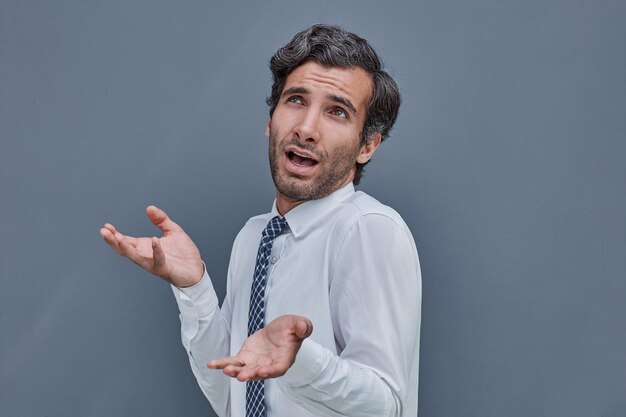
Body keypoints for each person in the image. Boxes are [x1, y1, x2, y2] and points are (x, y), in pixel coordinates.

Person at [100, 24, 421, 417]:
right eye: (296, 100)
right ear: (271, 120)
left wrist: (301, 363)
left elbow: (387, 405)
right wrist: (195, 288)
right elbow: (229, 394)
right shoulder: (255, 236)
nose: (306, 128)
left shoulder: (369, 229)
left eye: (337, 112)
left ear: (367, 146)